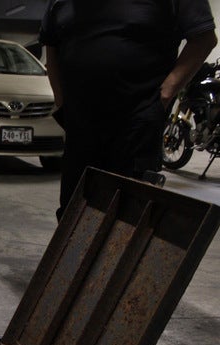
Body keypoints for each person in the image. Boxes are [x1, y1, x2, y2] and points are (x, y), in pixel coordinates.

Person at [39, 0, 217, 220]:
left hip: (135, 124)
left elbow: (204, 38)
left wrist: (164, 95)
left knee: (127, 215)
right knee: (72, 212)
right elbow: (51, 44)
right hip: (80, 125)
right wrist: (61, 100)